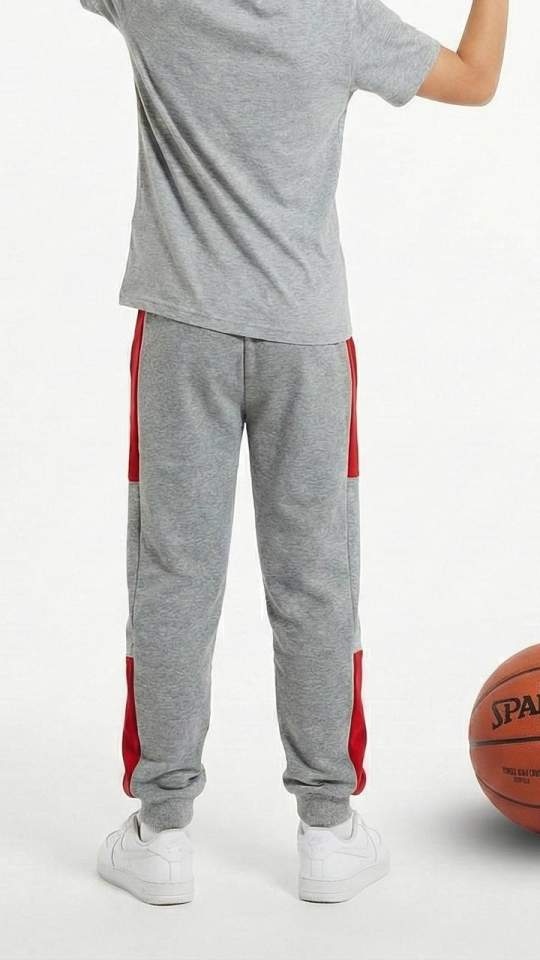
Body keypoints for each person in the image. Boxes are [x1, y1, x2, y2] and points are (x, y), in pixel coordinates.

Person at [80, 0, 508, 905]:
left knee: (172, 579)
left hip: (184, 334)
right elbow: (477, 80)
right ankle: (328, 831)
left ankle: (161, 833)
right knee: (316, 582)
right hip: (307, 343)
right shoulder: (339, 17)